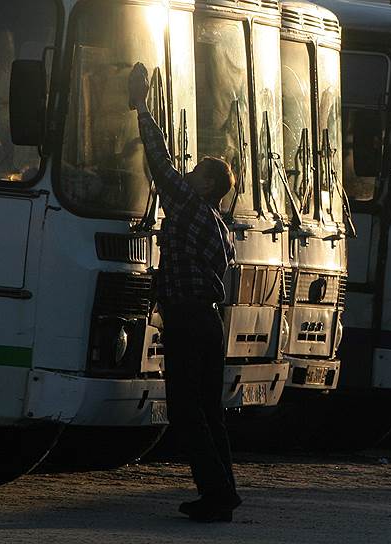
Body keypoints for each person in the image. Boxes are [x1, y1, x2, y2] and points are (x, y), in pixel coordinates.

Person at [128, 62, 241, 523]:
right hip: (208, 321)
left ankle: (214, 495)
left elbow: (159, 161)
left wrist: (142, 106)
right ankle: (224, 492)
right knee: (210, 411)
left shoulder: (191, 207)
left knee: (187, 410)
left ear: (208, 185)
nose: (187, 175)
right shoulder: (219, 225)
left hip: (187, 320)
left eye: (195, 173)